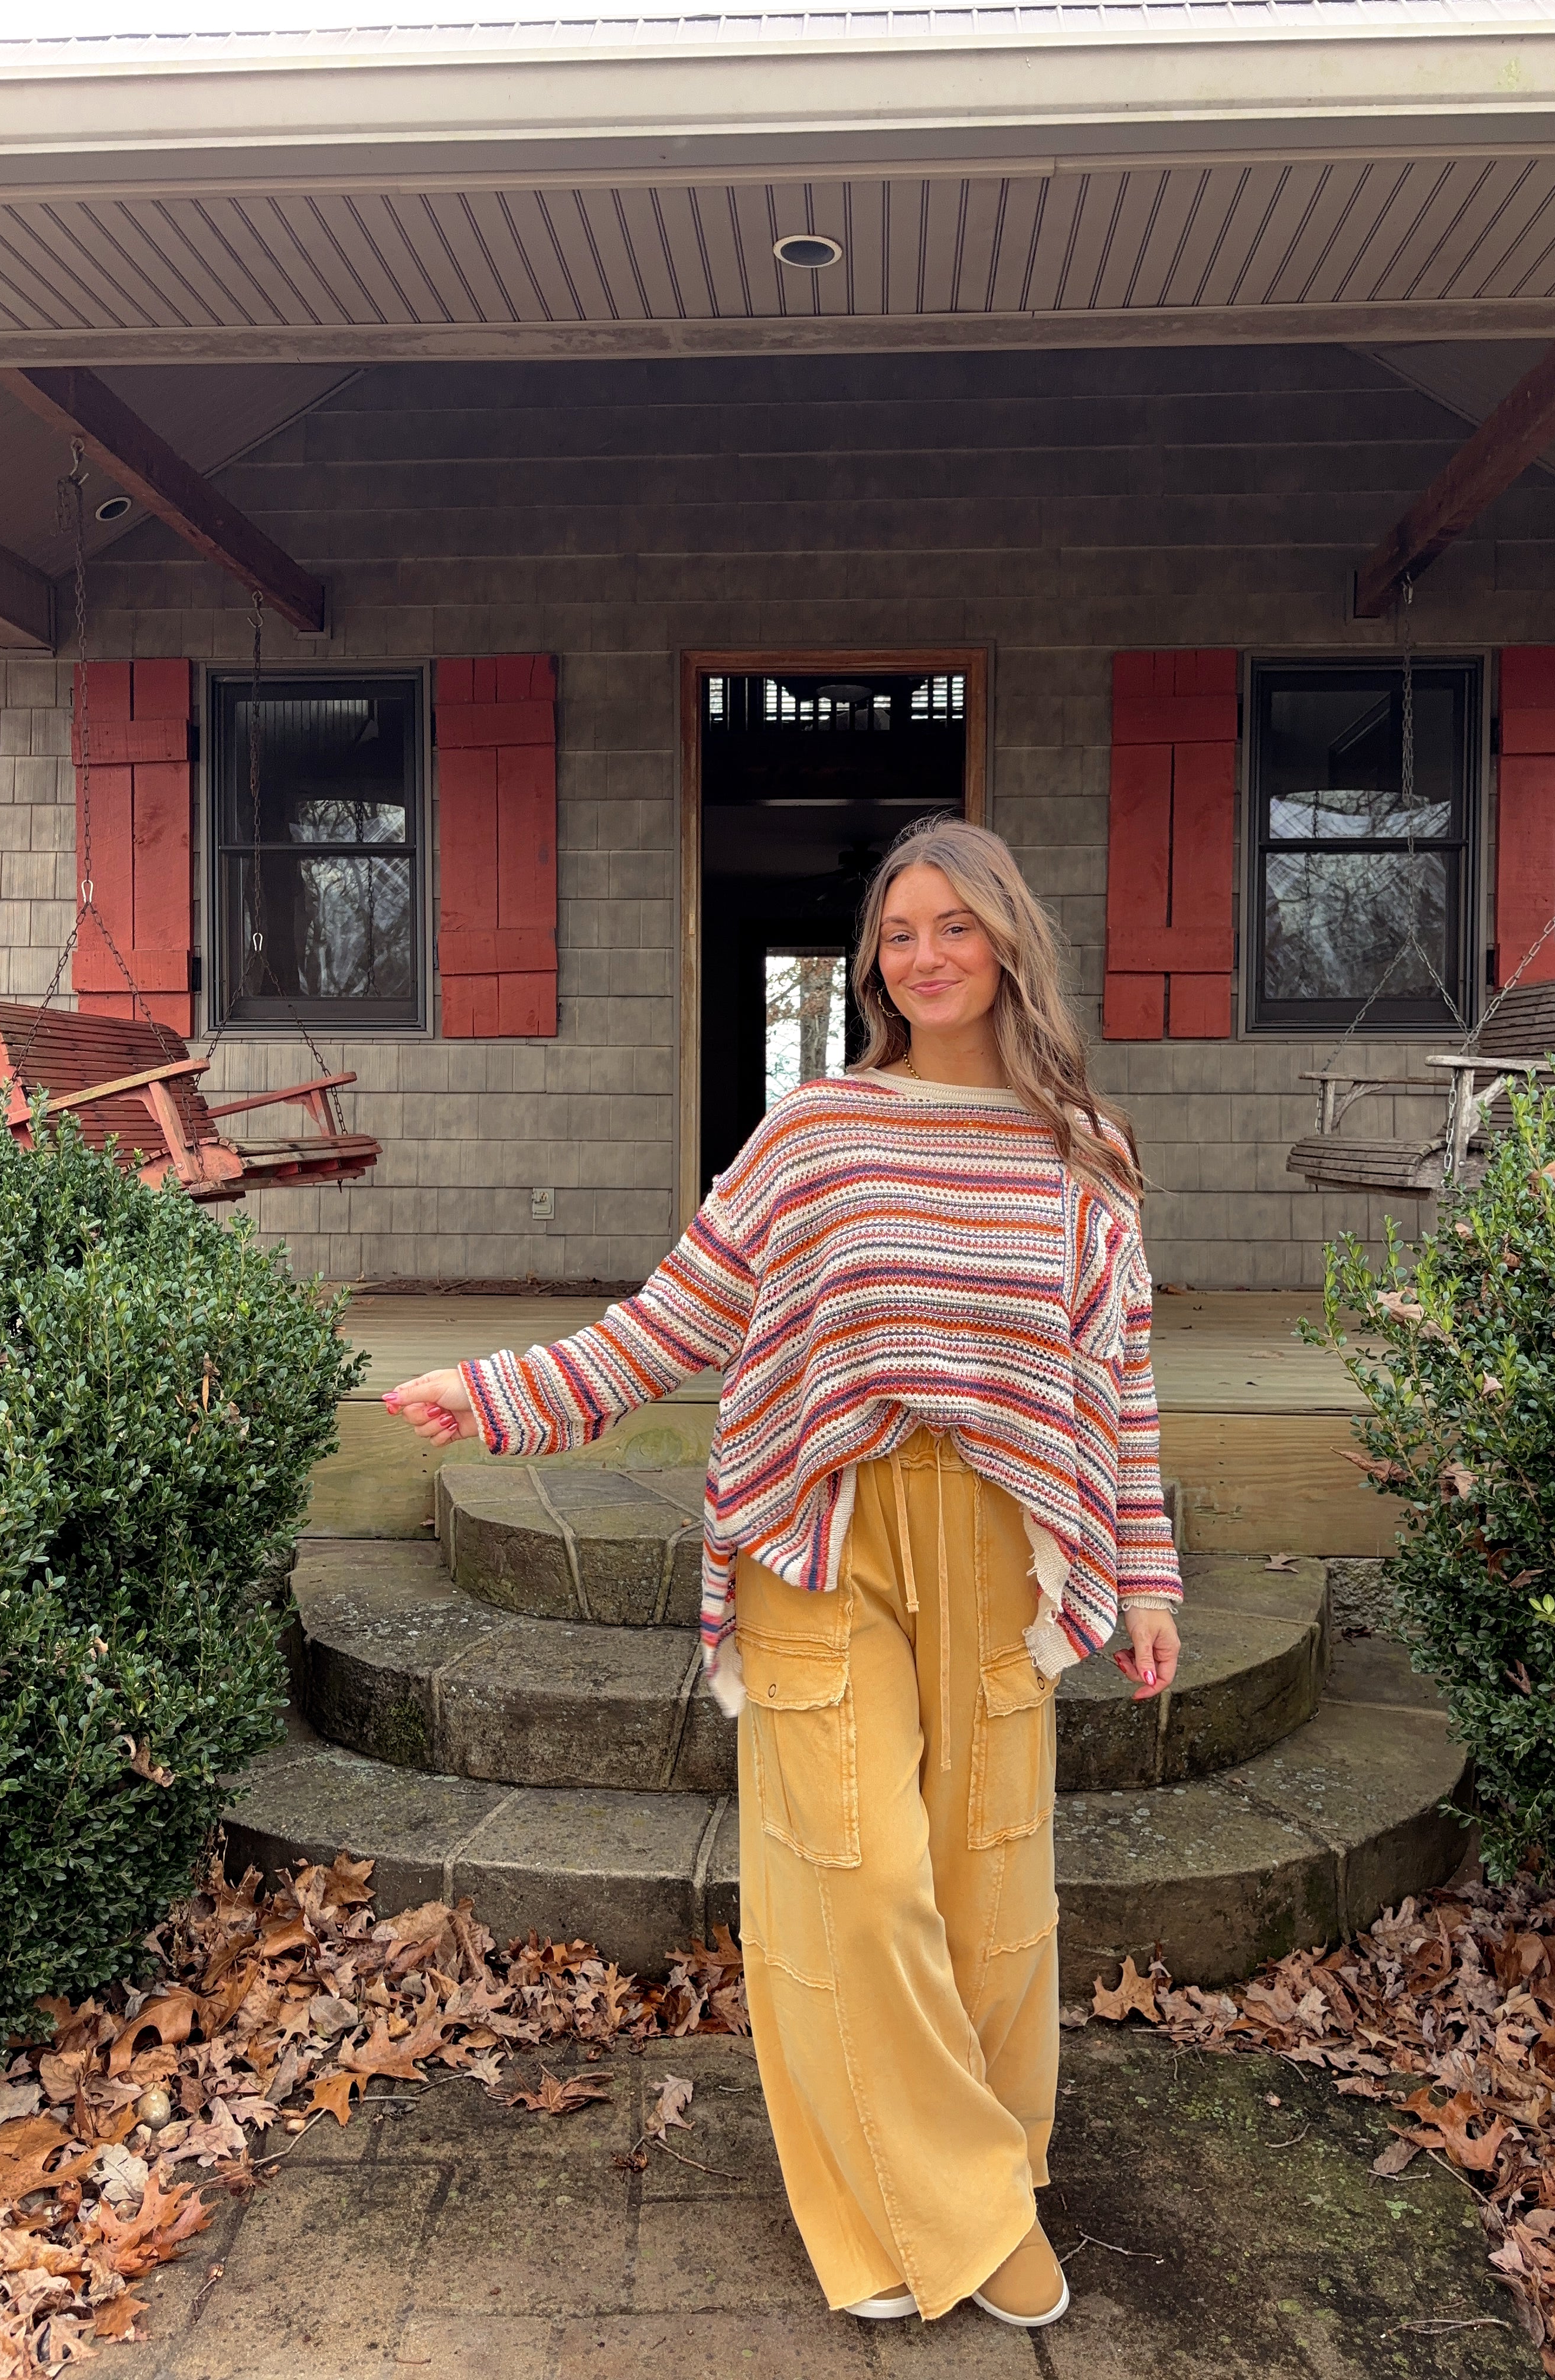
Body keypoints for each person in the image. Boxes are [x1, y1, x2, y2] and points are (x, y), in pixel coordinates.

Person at [386, 816, 1183, 2329]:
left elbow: (1122, 1379)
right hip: (824, 1535)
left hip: (1011, 1544)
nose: (928, 954)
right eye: (899, 931)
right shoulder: (820, 1128)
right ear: (875, 960)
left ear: (1011, 939)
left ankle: (976, 2171)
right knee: (856, 1882)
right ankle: (959, 2213)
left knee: (992, 1886)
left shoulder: (1085, 1147)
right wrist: (501, 1394)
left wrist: (1144, 1575)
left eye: (956, 924)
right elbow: (673, 1320)